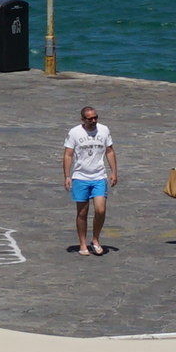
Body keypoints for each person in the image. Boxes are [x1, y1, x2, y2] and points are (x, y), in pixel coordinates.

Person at [63, 106, 117, 256]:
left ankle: (95, 239)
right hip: (81, 176)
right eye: (90, 119)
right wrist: (67, 176)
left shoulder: (104, 130)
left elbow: (110, 151)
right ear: (83, 120)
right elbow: (68, 154)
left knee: (100, 209)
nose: (93, 121)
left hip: (99, 176)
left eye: (95, 117)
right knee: (82, 212)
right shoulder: (74, 133)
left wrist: (114, 172)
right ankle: (82, 243)